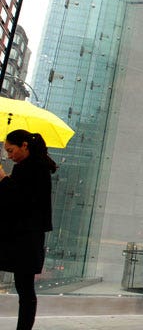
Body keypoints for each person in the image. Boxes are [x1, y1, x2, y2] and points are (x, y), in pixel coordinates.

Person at [0, 130, 57, 330]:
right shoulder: (34, 167)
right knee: (25, 289)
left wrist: (2, 179)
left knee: (25, 289)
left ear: (24, 145)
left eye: (11, 150)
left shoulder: (30, 169)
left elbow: (17, 200)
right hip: (26, 237)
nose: (9, 155)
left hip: (23, 238)